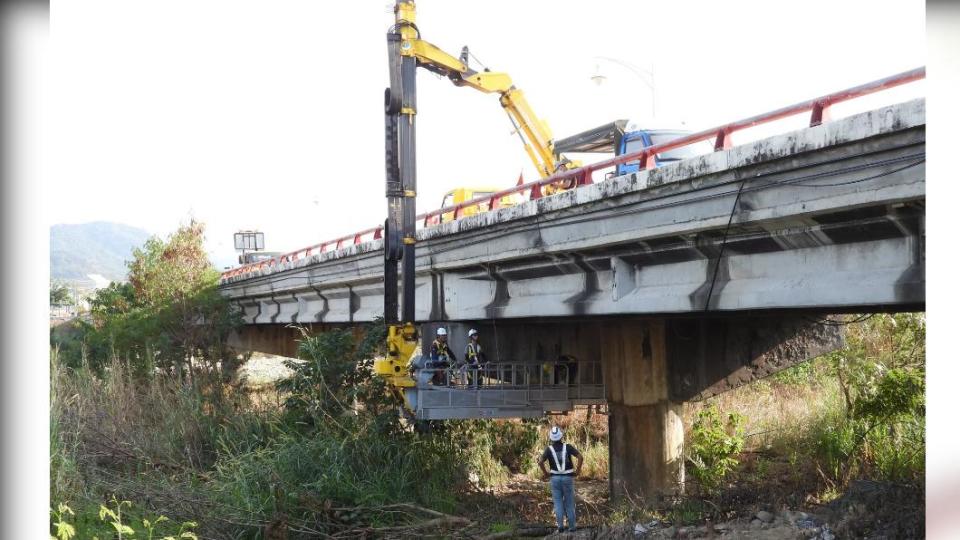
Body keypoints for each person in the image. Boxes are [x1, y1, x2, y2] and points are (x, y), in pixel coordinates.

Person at [538, 426, 582, 533]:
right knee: (569, 503)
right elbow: (580, 457)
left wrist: (546, 473)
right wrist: (577, 471)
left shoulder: (549, 449)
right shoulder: (568, 447)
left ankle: (560, 527)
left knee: (558, 503)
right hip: (568, 478)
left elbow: (540, 462)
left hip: (555, 479)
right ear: (561, 437)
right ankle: (572, 527)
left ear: (551, 438)